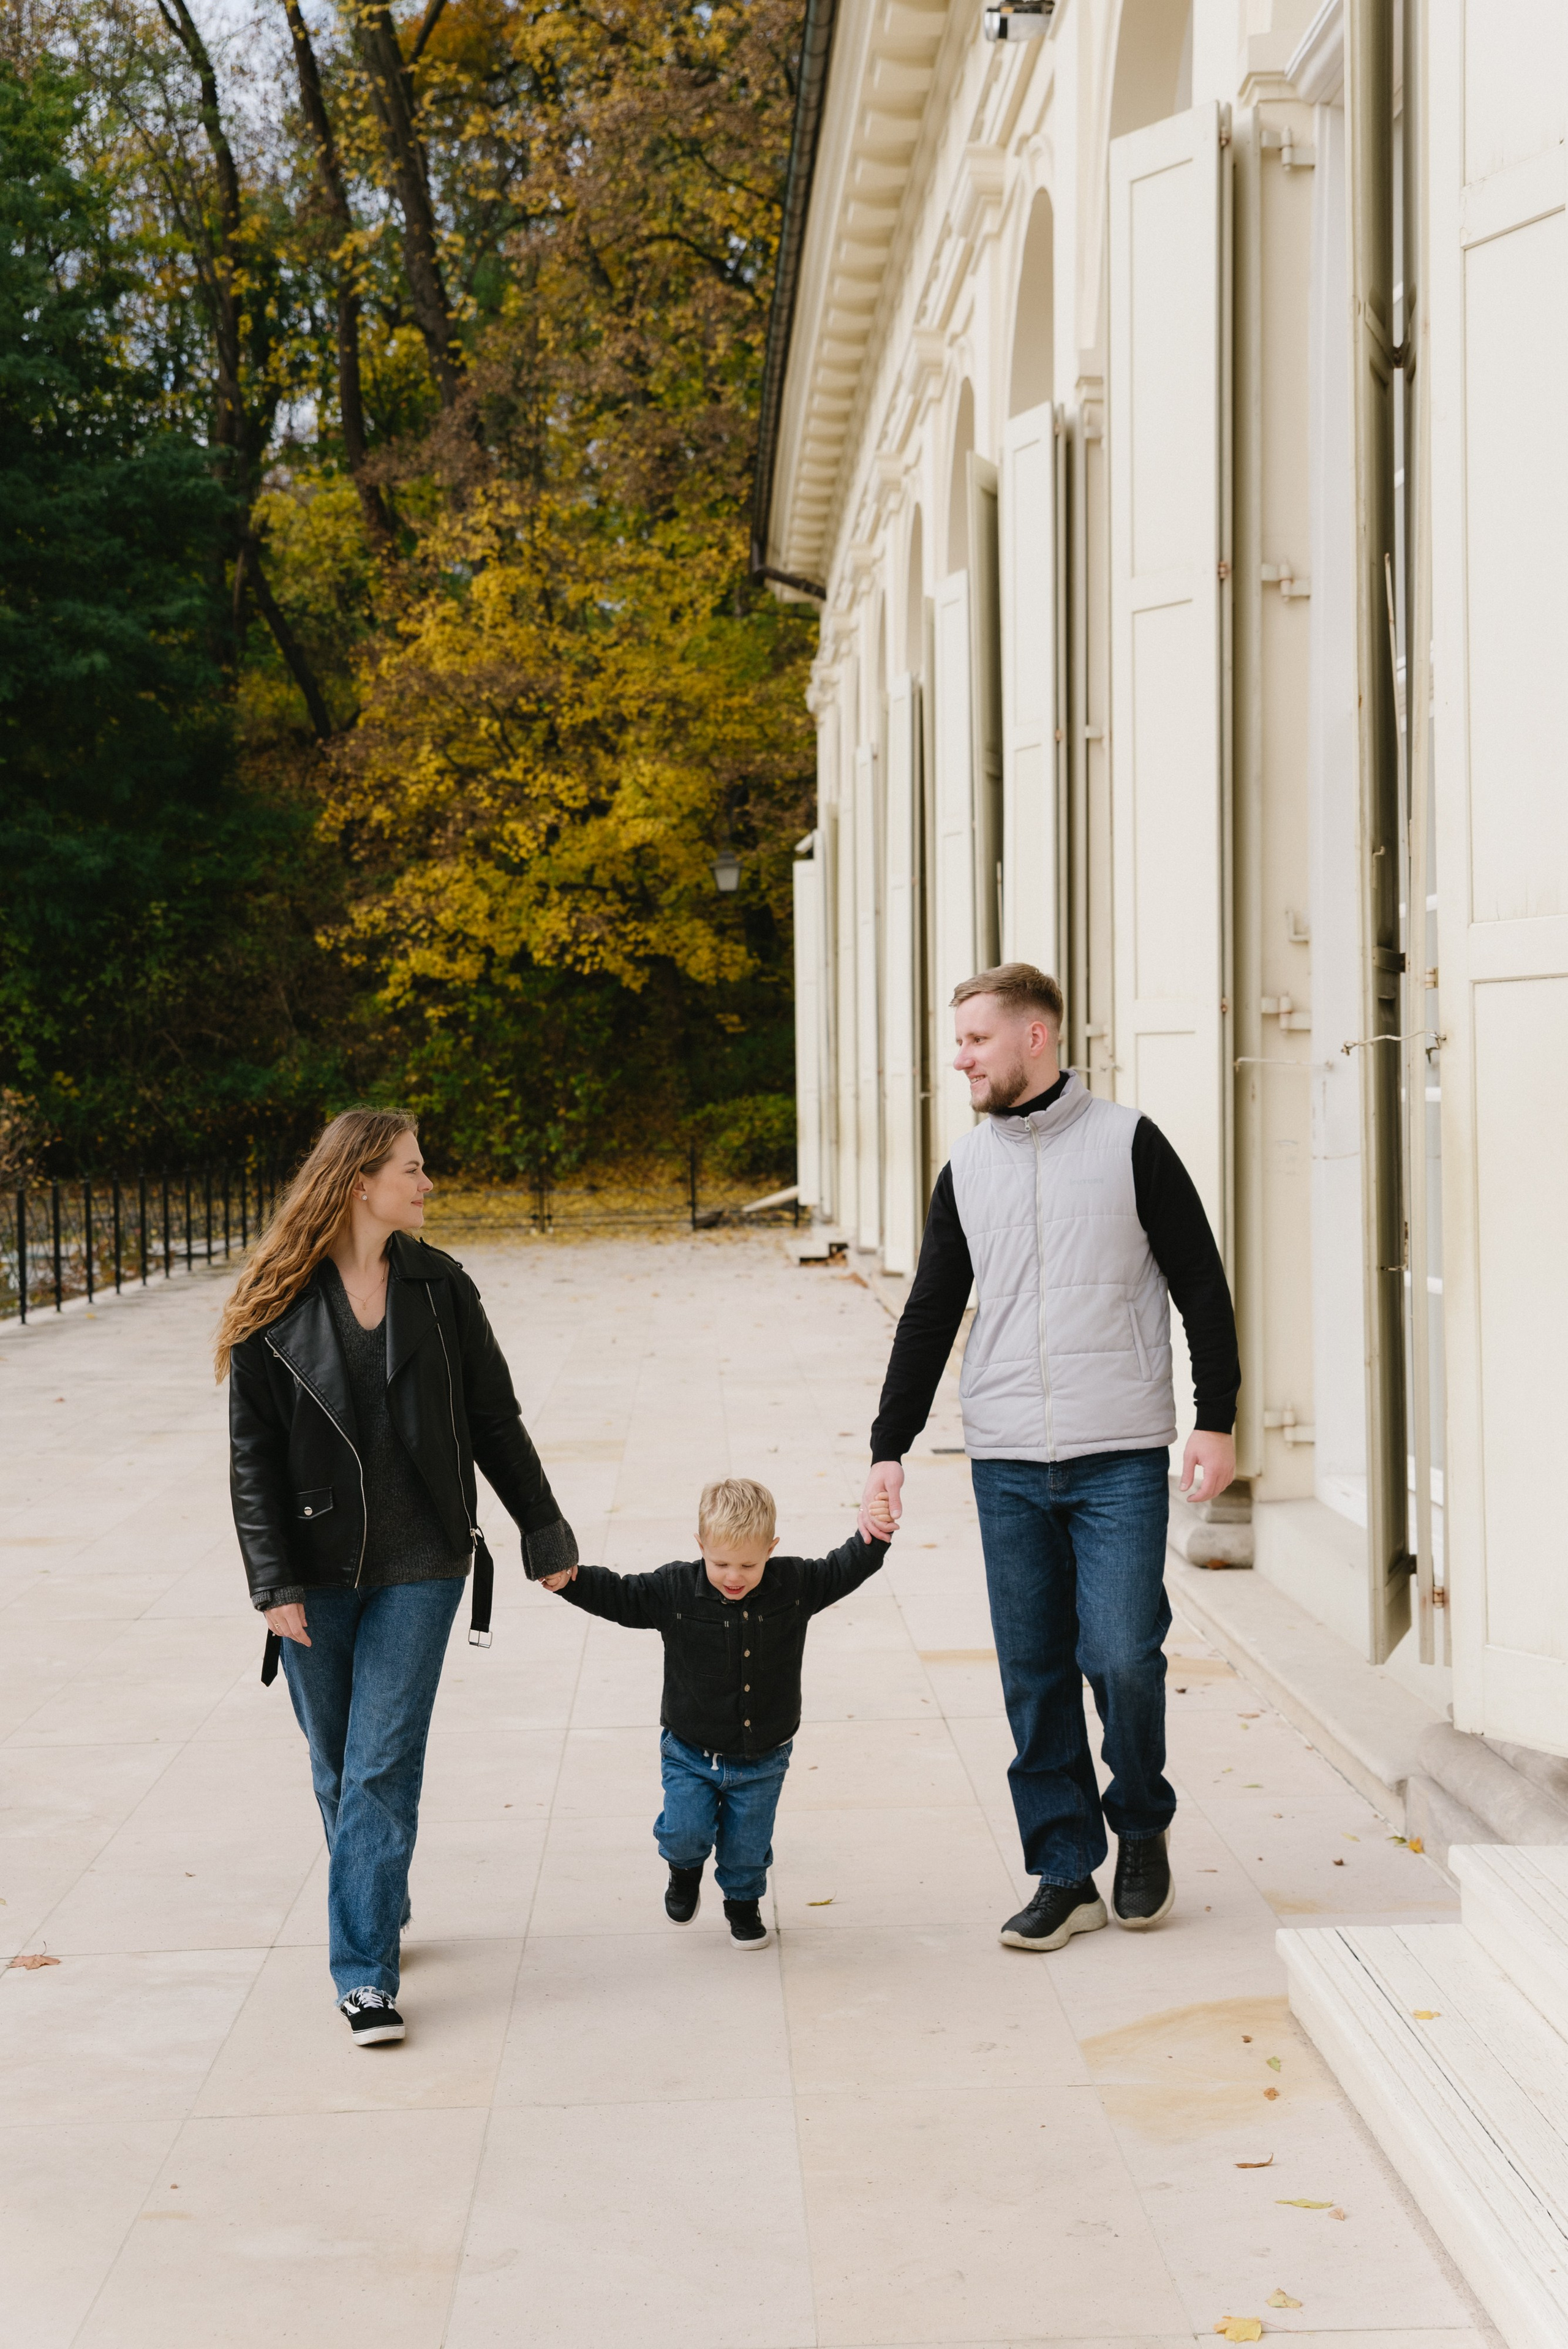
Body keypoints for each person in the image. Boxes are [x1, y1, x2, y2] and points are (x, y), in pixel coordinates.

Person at [858, 964, 1240, 1955]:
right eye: (960, 1041)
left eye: (976, 1039)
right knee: (1033, 1675)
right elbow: (931, 1312)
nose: (960, 1058)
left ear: (1036, 1037)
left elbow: (1201, 1281)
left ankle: (1142, 1823)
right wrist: (887, 1446)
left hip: (1118, 1450)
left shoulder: (1129, 1144)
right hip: (1008, 1457)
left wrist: (1217, 1417)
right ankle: (1065, 1872)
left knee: (1121, 1656)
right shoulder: (968, 1169)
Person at [217, 1108, 575, 2045]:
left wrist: (542, 1523)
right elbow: (251, 1457)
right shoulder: (275, 1300)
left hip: (424, 1562)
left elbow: (494, 1416)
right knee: (337, 1763)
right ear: (357, 1182)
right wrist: (271, 1581)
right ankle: (376, 1896)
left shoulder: (440, 1285)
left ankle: (363, 1972)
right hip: (314, 1569)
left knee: (379, 1761)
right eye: (412, 1170)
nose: (428, 1184)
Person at [540, 1476, 890, 1947]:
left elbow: (843, 1567)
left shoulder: (796, 1584)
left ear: (772, 1548)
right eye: (720, 1562)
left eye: (749, 1563)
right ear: (700, 1545)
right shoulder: (675, 1589)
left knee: (747, 1848)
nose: (734, 1575)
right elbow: (620, 1594)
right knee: (686, 1832)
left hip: (764, 1757)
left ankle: (742, 1903)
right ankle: (683, 1871)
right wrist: (571, 1580)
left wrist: (876, 1533)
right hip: (690, 1750)